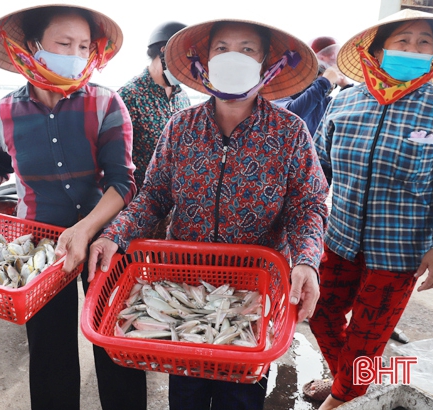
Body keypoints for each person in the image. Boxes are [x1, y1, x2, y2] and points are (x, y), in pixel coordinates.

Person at [87, 18, 329, 410]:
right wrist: (113, 234)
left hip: (253, 295)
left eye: (247, 49)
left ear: (268, 64)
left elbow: (308, 205)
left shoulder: (290, 132)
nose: (234, 57)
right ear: (205, 61)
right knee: (186, 394)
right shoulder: (180, 126)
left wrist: (307, 261)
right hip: (185, 287)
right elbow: (154, 195)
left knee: (243, 395)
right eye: (222, 49)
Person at [0, 4, 146, 410]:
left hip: (105, 243)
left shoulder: (107, 104)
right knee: (49, 352)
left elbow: (123, 183)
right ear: (35, 46)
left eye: (83, 46)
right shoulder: (6, 111)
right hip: (39, 250)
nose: (75, 54)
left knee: (117, 347)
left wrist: (85, 230)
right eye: (63, 43)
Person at [307, 9, 433, 410]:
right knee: (319, 312)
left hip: (400, 251)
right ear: (378, 49)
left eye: (424, 42)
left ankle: (341, 399)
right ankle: (349, 384)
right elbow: (318, 171)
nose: (414, 49)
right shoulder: (344, 102)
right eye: (403, 40)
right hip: (340, 238)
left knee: (368, 337)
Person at [117, 21, 191, 239]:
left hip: (171, 209)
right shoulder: (130, 96)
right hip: (137, 207)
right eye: (183, 58)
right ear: (164, 52)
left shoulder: (182, 97)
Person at [273, 36, 351, 136]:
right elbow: (291, 116)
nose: (330, 83)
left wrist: (346, 86)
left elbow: (352, 115)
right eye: (322, 73)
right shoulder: (285, 92)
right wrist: (324, 82)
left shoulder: (326, 102)